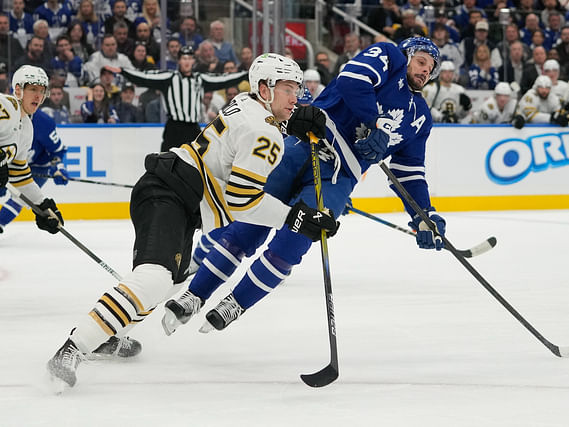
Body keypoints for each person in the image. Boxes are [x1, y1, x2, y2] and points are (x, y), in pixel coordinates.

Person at [46, 53, 337, 389]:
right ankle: (72, 348)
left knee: (170, 282)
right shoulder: (264, 132)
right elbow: (242, 202)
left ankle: (106, 334)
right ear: (264, 88)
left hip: (177, 197)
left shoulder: (248, 103)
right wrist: (293, 217)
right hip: (168, 194)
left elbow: (259, 127)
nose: (296, 96)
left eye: (298, 88)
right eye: (288, 88)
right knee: (154, 279)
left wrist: (293, 119)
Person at [162, 37, 447, 341]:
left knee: (295, 241)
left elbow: (410, 171)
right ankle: (194, 295)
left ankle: (236, 303)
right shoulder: (389, 57)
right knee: (248, 225)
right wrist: (375, 123)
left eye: (431, 69)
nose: (425, 71)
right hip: (303, 144)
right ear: (406, 56)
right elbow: (354, 81)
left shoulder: (420, 118)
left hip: (339, 177)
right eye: (421, 62)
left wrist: (424, 213)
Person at [107, 45, 247, 151]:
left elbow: (224, 79)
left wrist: (245, 75)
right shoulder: (169, 77)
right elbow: (145, 77)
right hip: (174, 127)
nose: (187, 61)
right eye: (184, 58)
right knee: (166, 163)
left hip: (193, 127)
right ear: (179, 61)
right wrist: (124, 72)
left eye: (189, 58)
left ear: (193, 61)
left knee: (198, 163)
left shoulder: (200, 79)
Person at [0, 65, 64, 237]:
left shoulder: (27, 128)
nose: (38, 95)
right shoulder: (6, 105)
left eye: (42, 91)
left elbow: (19, 173)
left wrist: (41, 205)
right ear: (18, 90)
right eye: (33, 89)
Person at [0, 107, 69, 233]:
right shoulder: (4, 114)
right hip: (9, 163)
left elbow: (57, 151)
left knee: (21, 197)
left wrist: (58, 168)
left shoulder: (43, 123)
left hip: (38, 165)